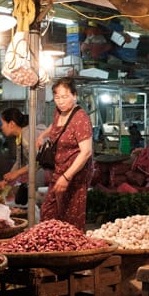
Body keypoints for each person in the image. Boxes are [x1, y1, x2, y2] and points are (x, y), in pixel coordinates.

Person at [37, 78, 93, 229]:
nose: (60, 101)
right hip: (59, 170)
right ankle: (51, 247)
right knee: (48, 212)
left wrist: (67, 177)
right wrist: (43, 135)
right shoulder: (59, 112)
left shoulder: (81, 119)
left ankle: (73, 249)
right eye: (57, 97)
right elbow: (55, 125)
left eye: (65, 97)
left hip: (75, 174)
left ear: (74, 95)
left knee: (70, 218)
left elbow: (86, 152)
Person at [0, 108, 46, 205]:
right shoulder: (20, 137)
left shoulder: (27, 135)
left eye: (3, 123)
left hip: (47, 176)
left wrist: (17, 173)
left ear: (12, 124)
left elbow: (38, 162)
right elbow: (19, 162)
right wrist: (5, 182)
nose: (1, 127)